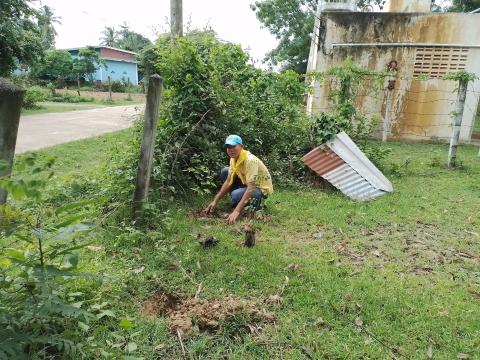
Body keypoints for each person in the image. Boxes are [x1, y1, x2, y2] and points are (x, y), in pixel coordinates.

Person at [204, 135, 273, 224]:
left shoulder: (250, 160)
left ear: (241, 146)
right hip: (247, 184)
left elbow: (251, 187)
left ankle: (255, 205)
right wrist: (215, 201)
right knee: (225, 171)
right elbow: (229, 181)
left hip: (260, 189)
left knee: (235, 195)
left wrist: (236, 211)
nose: (231, 150)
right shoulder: (233, 158)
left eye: (233, 146)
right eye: (228, 147)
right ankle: (239, 202)